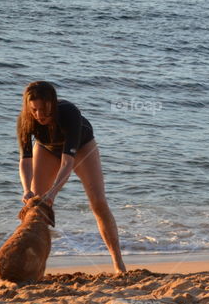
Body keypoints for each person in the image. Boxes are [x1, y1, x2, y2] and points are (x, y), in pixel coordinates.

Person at [16, 80, 127, 274]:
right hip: (46, 148)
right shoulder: (26, 120)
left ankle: (118, 264)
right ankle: (32, 268)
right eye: (34, 110)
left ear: (53, 102)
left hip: (83, 147)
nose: (39, 115)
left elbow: (67, 163)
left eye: (44, 110)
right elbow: (25, 161)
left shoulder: (69, 113)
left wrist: (53, 193)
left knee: (98, 202)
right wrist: (27, 190)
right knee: (35, 208)